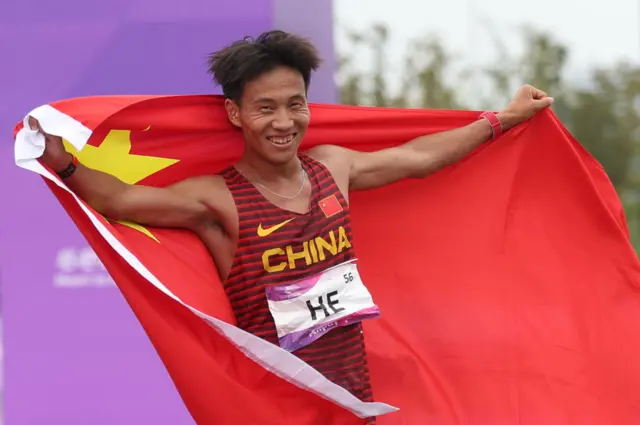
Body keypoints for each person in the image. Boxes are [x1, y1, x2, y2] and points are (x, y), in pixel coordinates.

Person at [30, 30, 553, 415]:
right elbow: (120, 199)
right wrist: (61, 160)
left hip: (350, 403)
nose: (284, 123)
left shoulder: (333, 166)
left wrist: (502, 120)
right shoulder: (218, 199)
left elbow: (418, 157)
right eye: (266, 109)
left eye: (295, 105)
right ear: (236, 115)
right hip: (273, 410)